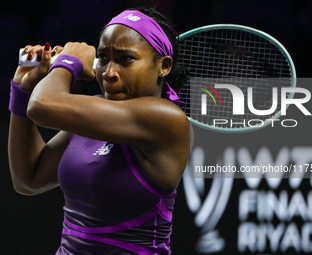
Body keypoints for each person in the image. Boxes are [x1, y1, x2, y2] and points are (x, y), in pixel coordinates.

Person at [8, 7, 192, 255]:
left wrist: (67, 63)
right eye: (103, 58)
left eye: (126, 59)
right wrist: (22, 90)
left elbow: (42, 106)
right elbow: (29, 178)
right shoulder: (94, 113)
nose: (109, 73)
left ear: (164, 65)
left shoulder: (166, 119)